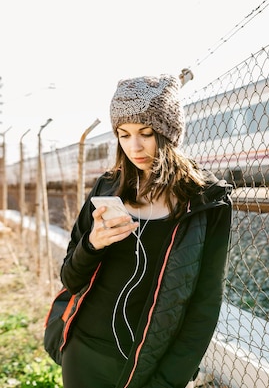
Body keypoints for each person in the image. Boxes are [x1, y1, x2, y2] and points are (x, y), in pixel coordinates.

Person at [58, 74, 232, 388]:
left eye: (146, 132)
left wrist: (166, 381)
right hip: (84, 353)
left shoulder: (207, 202)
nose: (133, 147)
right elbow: (70, 278)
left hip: (147, 365)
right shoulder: (108, 187)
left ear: (169, 133)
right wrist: (92, 244)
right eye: (123, 135)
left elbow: (205, 306)